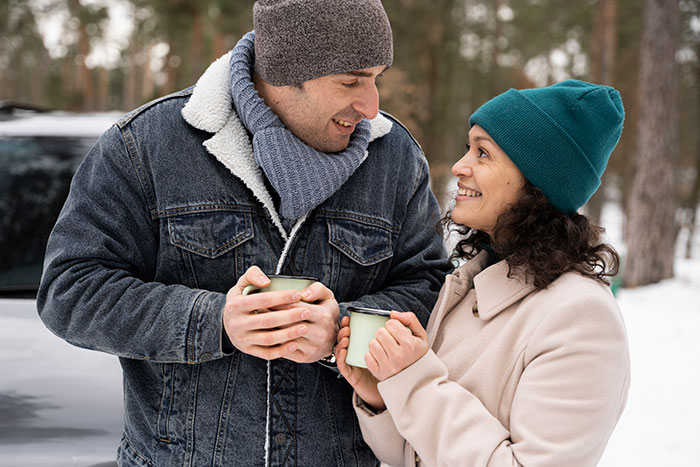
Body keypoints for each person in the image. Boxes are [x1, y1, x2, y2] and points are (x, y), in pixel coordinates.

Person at [37, 0, 450, 465]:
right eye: (351, 81)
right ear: (283, 73)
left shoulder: (395, 159)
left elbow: (431, 291)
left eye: (377, 78)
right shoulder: (145, 146)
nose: (370, 104)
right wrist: (215, 322)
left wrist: (344, 331)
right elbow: (70, 290)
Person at [335, 80, 631, 466]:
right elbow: (414, 454)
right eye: (467, 147)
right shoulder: (470, 287)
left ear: (535, 180)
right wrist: (383, 394)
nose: (460, 166)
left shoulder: (581, 318)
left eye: (483, 153)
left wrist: (413, 382)